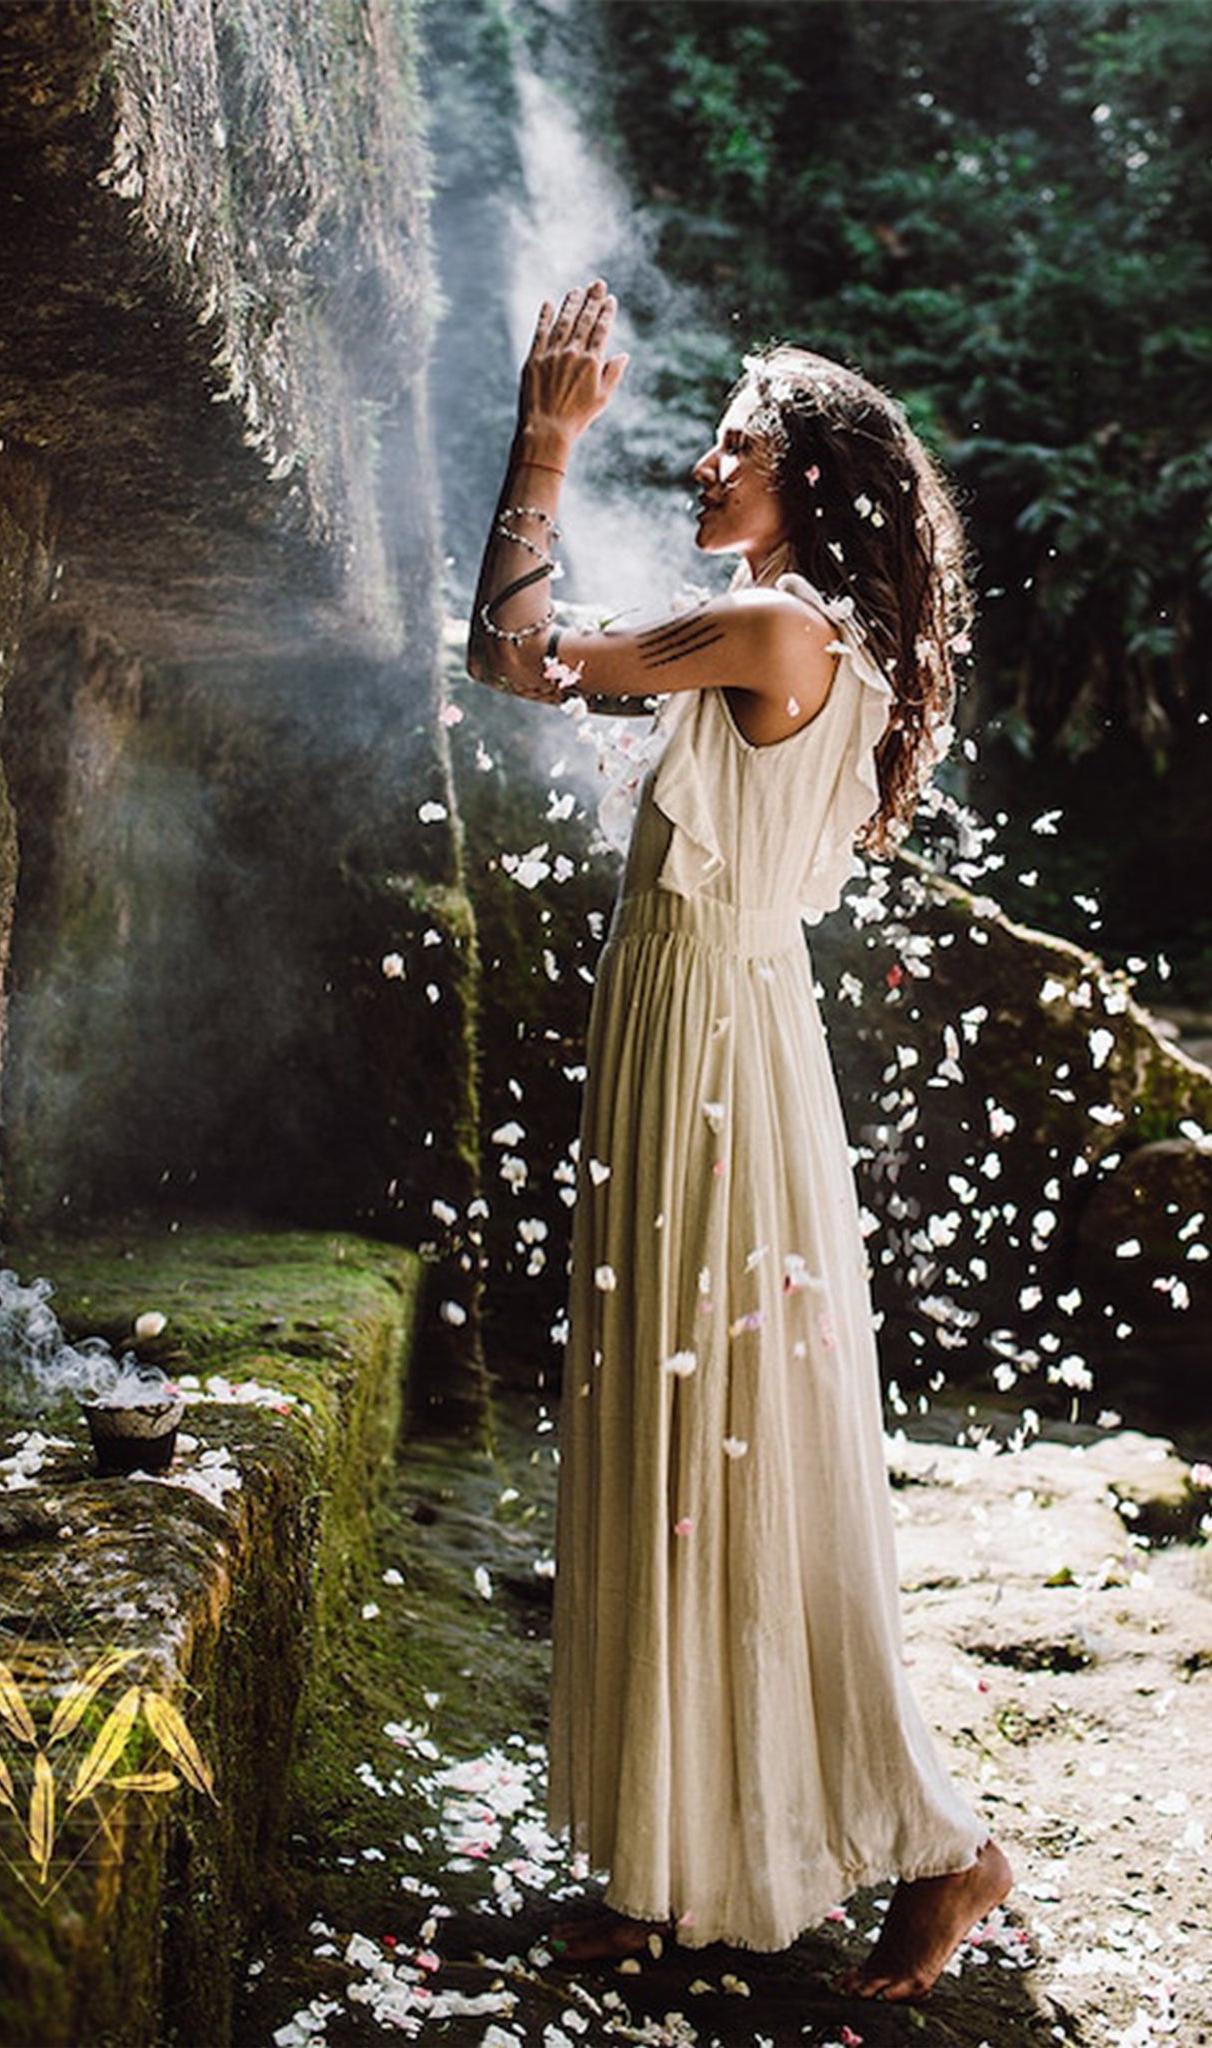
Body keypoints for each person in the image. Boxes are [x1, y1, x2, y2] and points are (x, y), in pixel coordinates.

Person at [466, 279, 1012, 2002]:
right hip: (695, 1026)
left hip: (714, 1041)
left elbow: (515, 658)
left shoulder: (777, 631)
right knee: (670, 1431)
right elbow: (532, 672)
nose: (702, 463)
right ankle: (670, 1856)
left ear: (808, 481)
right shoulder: (779, 629)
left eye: (736, 443)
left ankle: (939, 1845)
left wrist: (546, 443)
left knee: (727, 1443)